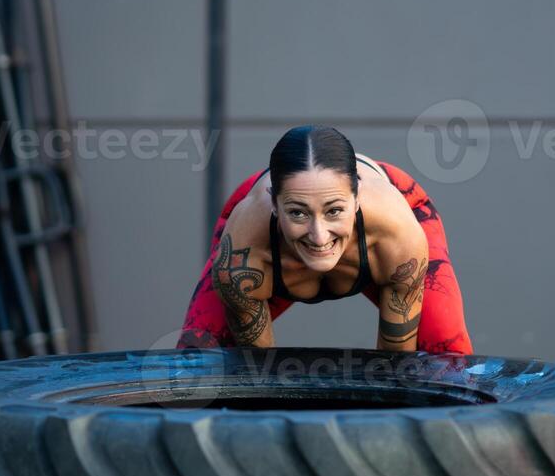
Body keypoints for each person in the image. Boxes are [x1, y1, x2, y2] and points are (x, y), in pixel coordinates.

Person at [179, 125, 473, 354]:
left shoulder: (396, 235)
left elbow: (397, 365)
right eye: (298, 214)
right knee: (195, 360)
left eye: (334, 211)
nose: (319, 236)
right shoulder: (243, 252)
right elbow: (258, 371)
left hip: (384, 217)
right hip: (271, 236)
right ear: (274, 205)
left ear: (357, 201)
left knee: (448, 356)